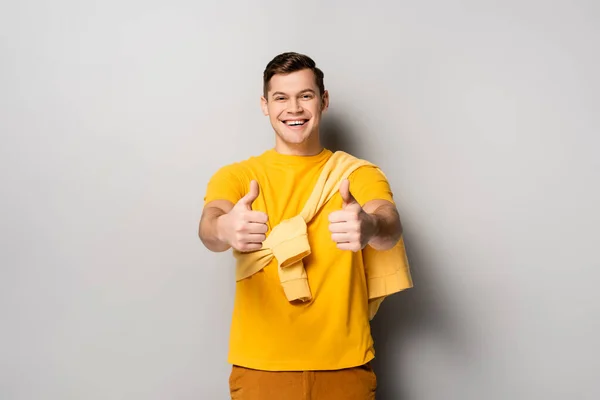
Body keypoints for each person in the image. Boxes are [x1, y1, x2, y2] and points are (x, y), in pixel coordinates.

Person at [198, 52, 412, 399]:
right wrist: (224, 228)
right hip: (260, 370)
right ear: (265, 105)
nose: (293, 108)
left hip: (345, 368)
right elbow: (210, 225)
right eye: (281, 97)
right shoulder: (238, 176)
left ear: (323, 101)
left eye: (305, 96)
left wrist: (369, 226)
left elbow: (388, 221)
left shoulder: (357, 174)